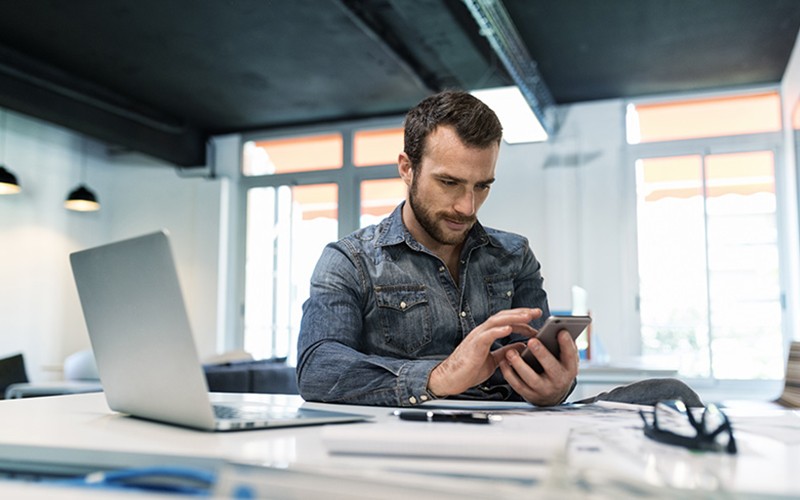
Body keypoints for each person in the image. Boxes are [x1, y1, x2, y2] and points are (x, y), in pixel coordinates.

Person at [296, 90, 701, 408]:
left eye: (482, 185)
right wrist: (439, 376)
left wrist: (554, 387)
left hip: (512, 425)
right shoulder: (350, 260)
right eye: (450, 183)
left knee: (671, 394)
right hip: (417, 429)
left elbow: (543, 364)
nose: (467, 207)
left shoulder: (514, 255)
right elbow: (317, 369)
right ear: (407, 168)